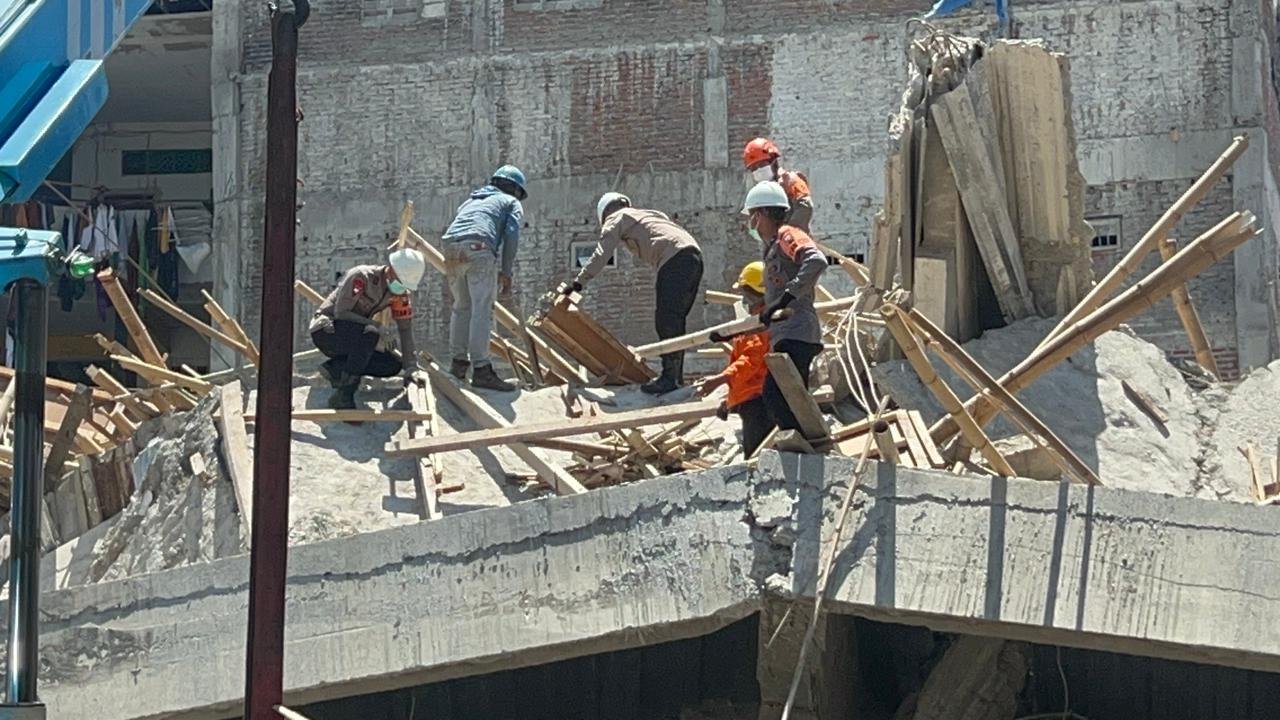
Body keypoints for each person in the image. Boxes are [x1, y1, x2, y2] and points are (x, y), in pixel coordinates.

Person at [567, 192, 704, 395]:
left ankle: (669, 378)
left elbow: (602, 253)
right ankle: (675, 378)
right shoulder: (648, 214)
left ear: (604, 213)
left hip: (674, 259)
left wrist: (578, 283)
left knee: (666, 320)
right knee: (675, 320)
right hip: (694, 257)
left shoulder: (617, 217)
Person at [743, 180, 826, 433]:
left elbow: (816, 261)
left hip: (797, 332)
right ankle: (803, 442)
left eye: (753, 217)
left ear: (762, 214)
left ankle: (804, 444)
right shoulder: (772, 247)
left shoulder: (787, 235)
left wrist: (786, 298)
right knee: (787, 400)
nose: (752, 225)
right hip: (787, 333)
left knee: (778, 398)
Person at [441, 164, 527, 392]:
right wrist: (506, 272)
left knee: (461, 306)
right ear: (515, 190)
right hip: (478, 247)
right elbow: (512, 234)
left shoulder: (470, 202)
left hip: (451, 248)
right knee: (482, 308)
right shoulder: (510, 202)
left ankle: (458, 364)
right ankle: (481, 369)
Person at [309, 248, 427, 410]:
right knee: (371, 333)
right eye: (401, 281)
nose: (402, 288)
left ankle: (336, 368)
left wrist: (411, 368)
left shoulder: (399, 294)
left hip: (357, 337)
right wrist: (377, 326)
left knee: (391, 364)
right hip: (328, 332)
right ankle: (344, 395)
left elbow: (405, 328)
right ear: (391, 270)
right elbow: (341, 313)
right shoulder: (361, 277)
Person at [694, 262, 772, 458]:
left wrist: (720, 379)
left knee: (757, 458)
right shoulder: (754, 321)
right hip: (753, 400)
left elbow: (751, 361)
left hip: (759, 403)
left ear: (759, 294)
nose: (744, 299)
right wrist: (729, 401)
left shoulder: (762, 323)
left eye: (747, 294)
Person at [742, 138, 813, 232]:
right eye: (753, 168)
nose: (758, 170)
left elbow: (805, 207)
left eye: (762, 165)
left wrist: (787, 232)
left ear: (773, 161)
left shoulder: (791, 181)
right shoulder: (760, 192)